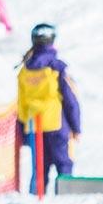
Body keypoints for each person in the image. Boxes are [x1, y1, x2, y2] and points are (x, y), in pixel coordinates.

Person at [15, 23, 81, 193]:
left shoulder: (24, 70)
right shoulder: (56, 67)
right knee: (63, 163)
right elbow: (69, 99)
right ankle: (66, 198)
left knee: (39, 168)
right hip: (55, 123)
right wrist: (76, 127)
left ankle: (35, 201)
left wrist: (22, 130)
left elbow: (21, 103)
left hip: (33, 126)